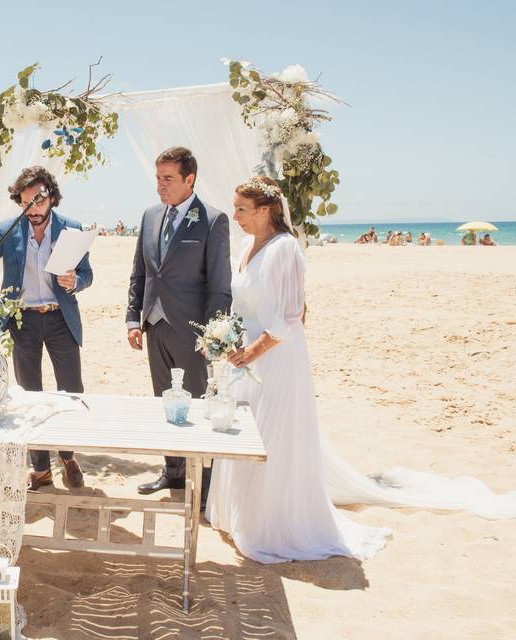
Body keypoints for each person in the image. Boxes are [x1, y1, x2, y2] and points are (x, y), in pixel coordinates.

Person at [208, 176, 516, 564]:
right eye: (235, 207)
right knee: (242, 432)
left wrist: (253, 351)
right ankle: (239, 514)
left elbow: (291, 317)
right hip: (245, 358)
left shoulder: (284, 249)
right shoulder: (245, 245)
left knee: (271, 435)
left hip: (275, 357)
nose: (235, 215)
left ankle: (271, 522)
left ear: (266, 210)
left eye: (242, 209)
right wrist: (230, 340)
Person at [0, 166, 93, 491]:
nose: (33, 211)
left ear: (50, 197)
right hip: (22, 322)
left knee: (70, 391)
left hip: (61, 319)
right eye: (26, 204)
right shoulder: (10, 228)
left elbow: (87, 274)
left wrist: (75, 281)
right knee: (29, 394)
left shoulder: (72, 229)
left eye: (38, 202)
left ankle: (68, 457)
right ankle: (39, 468)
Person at [126, 146, 232, 498]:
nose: (160, 186)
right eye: (157, 178)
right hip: (154, 325)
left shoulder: (213, 220)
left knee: (198, 404)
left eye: (168, 179)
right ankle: (172, 472)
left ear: (190, 179)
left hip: (192, 332)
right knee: (164, 401)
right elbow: (140, 273)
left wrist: (212, 334)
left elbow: (219, 286)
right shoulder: (150, 215)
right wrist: (132, 319)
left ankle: (204, 485)